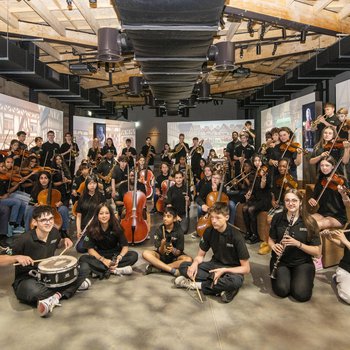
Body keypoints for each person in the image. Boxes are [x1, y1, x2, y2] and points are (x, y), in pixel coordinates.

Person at [12, 206, 91, 317]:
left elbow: (57, 242)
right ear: (35, 222)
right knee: (33, 291)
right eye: (44, 220)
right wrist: (16, 258)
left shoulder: (54, 232)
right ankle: (71, 286)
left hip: (50, 276)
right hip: (28, 279)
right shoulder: (23, 240)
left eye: (51, 219)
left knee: (84, 267)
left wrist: (64, 240)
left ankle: (54, 297)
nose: (48, 222)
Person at [175, 202, 250, 303]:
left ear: (227, 217)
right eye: (212, 217)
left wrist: (223, 270)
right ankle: (221, 288)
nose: (214, 221)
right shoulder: (209, 231)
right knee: (184, 266)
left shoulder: (236, 236)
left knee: (235, 281)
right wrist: (195, 264)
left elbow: (246, 269)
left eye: (218, 218)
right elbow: (200, 255)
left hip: (231, 270)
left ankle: (196, 285)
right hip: (214, 265)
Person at [268, 189, 321, 302]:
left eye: (294, 200)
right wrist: (273, 246)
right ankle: (286, 277)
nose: (290, 203)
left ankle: (301, 277)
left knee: (301, 295)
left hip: (302, 262)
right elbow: (270, 239)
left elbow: (317, 252)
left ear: (300, 202)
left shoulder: (310, 221)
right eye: (287, 200)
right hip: (281, 261)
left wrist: (298, 244)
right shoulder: (277, 218)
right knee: (282, 291)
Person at [80, 203, 138, 278]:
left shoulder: (117, 226)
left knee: (134, 255)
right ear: (97, 215)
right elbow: (90, 250)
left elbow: (125, 246)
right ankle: (115, 270)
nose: (104, 216)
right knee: (83, 259)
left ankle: (100, 270)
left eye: (107, 213)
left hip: (115, 254)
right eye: (101, 213)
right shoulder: (91, 228)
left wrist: (119, 257)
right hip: (100, 255)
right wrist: (103, 260)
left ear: (111, 214)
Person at [320, 186, 350, 304]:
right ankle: (338, 279)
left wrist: (345, 241)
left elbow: (347, 243)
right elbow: (344, 246)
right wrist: (330, 238)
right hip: (347, 268)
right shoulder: (349, 226)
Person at [143, 207, 192, 276]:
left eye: (168, 216)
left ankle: (160, 268)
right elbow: (160, 252)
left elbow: (178, 252)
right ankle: (171, 270)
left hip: (174, 259)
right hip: (161, 256)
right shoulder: (159, 229)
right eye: (164, 216)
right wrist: (162, 244)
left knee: (188, 259)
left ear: (174, 219)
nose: (165, 218)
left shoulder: (179, 230)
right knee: (145, 253)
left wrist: (173, 250)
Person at [24, 171, 70, 239]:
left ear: (49, 179)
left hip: (54, 209)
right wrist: (35, 204)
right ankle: (28, 232)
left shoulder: (56, 189)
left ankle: (64, 231)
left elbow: (65, 199)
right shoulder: (36, 189)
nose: (43, 180)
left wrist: (61, 203)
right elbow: (31, 202)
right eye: (41, 178)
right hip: (40, 209)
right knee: (29, 209)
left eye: (45, 178)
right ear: (39, 180)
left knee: (63, 209)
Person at [308, 156, 348, 231]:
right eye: (322, 165)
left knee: (318, 224)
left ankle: (316, 242)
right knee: (305, 221)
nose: (324, 168)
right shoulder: (320, 180)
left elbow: (348, 204)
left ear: (333, 166)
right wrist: (312, 199)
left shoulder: (341, 180)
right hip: (322, 213)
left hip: (337, 216)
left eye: (327, 165)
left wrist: (343, 194)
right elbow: (314, 197)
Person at [241, 154, 271, 244]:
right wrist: (249, 193)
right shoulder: (253, 173)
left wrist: (263, 178)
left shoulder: (266, 171)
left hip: (264, 199)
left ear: (262, 161)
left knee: (250, 209)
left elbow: (262, 187)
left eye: (259, 160)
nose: (257, 162)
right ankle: (248, 232)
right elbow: (252, 187)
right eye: (255, 161)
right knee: (244, 208)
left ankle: (255, 235)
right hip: (256, 198)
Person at [75, 174, 106, 253]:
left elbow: (105, 214)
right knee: (80, 248)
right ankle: (93, 244)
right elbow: (79, 216)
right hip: (86, 229)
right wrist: (78, 229)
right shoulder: (82, 198)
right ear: (86, 184)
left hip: (98, 227)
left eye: (94, 183)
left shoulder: (101, 197)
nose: (92, 185)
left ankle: (94, 244)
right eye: (90, 183)